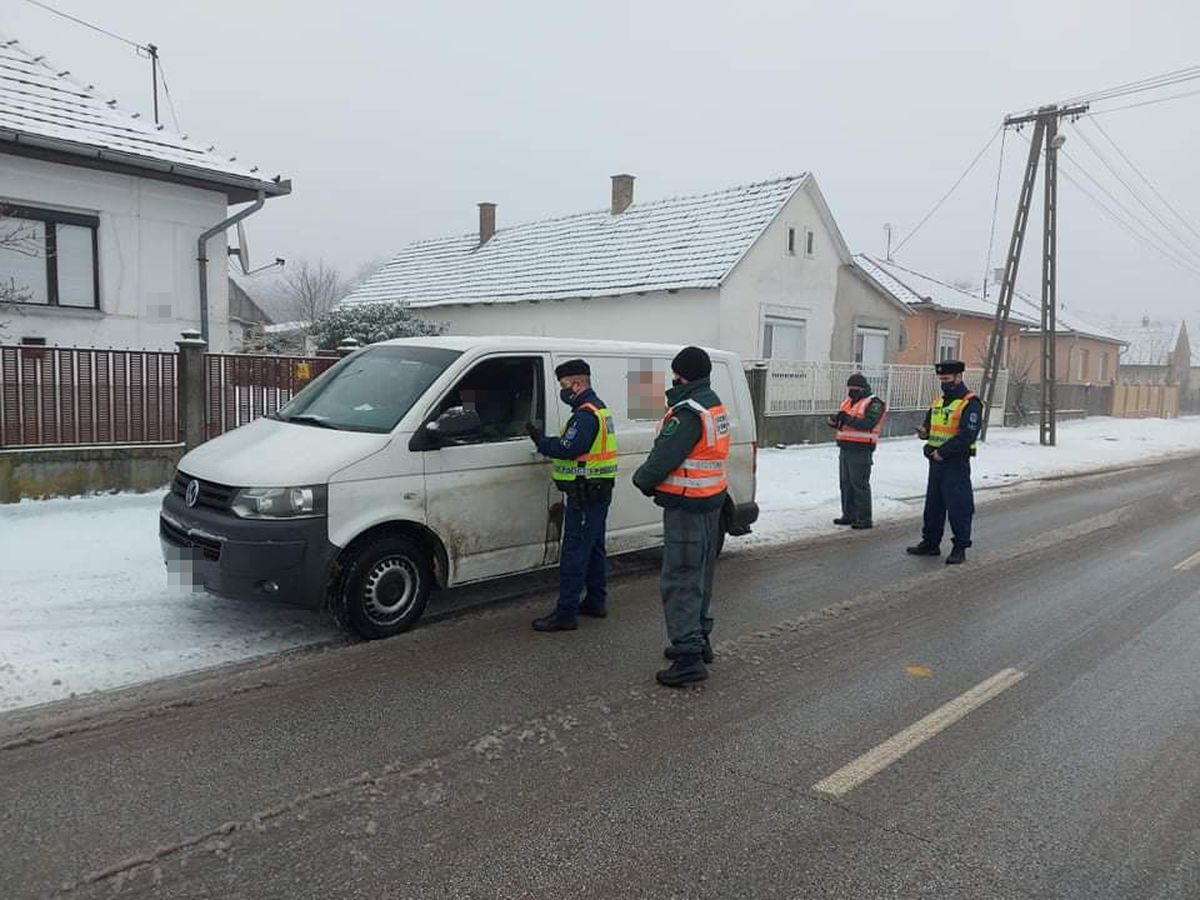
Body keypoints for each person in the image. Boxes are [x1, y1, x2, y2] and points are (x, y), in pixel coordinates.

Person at [633, 346, 729, 687]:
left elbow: (665, 456)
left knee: (681, 579)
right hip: (710, 501)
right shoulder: (712, 402)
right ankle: (699, 639)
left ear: (680, 373)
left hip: (687, 505)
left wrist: (642, 480)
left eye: (674, 372)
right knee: (701, 574)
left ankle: (688, 655)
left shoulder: (687, 411)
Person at [526, 359, 618, 631]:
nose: (562, 390)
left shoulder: (585, 414)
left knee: (575, 551)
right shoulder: (598, 409)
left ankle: (565, 612)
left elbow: (569, 447)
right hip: (597, 491)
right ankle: (596, 600)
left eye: (564, 385)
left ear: (577, 383)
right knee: (594, 548)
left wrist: (541, 441)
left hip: (585, 493)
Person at [906, 359, 982, 565]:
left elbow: (967, 435)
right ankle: (930, 543)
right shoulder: (938, 402)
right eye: (941, 379)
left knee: (959, 506)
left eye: (947, 379)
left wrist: (943, 451)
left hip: (955, 462)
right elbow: (930, 427)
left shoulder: (970, 403)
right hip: (936, 462)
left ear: (959, 377)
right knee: (933, 505)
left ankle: (960, 547)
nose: (944, 383)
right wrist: (924, 433)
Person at [826, 372, 886, 530]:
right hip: (845, 447)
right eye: (849, 388)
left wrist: (846, 419)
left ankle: (864, 518)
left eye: (854, 389)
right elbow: (844, 422)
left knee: (859, 484)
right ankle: (849, 515)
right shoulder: (848, 401)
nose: (851, 391)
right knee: (846, 483)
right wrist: (835, 421)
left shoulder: (874, 402)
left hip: (861, 448)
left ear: (862, 388)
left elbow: (868, 423)